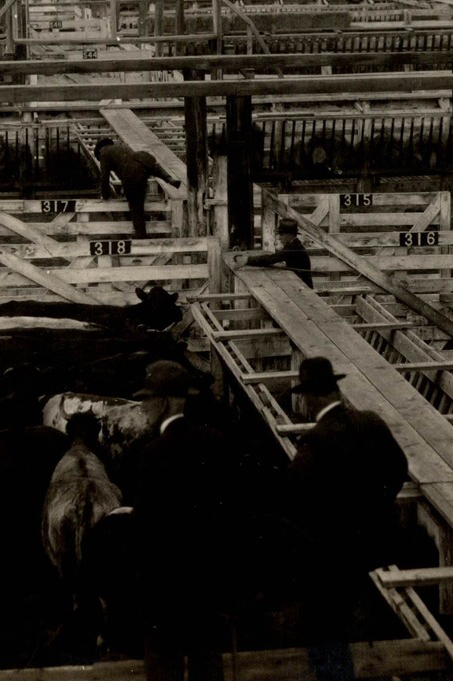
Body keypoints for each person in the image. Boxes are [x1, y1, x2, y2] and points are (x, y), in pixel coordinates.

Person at [286, 357, 408, 680]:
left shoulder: (314, 443)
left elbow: (295, 500)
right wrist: (376, 505)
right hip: (382, 545)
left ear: (310, 398)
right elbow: (399, 469)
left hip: (338, 555)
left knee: (321, 625)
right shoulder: (371, 422)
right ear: (336, 389)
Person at [120, 360, 235, 680]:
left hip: (164, 591)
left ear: (166, 402)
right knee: (208, 668)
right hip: (207, 585)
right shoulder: (216, 442)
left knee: (163, 671)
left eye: (147, 400)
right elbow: (229, 513)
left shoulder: (152, 453)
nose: (142, 408)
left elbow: (143, 530)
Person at [94, 138, 182, 238]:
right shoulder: (120, 147)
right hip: (142, 160)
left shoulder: (104, 153)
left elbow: (104, 177)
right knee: (154, 168)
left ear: (99, 149)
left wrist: (105, 195)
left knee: (136, 208)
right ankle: (168, 178)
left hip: (130, 173)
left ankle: (141, 237)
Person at [240, 217, 313, 288]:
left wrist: (247, 260)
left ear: (289, 235)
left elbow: (272, 258)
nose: (279, 237)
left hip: (305, 288)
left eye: (282, 234)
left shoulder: (293, 247)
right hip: (300, 285)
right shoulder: (294, 244)